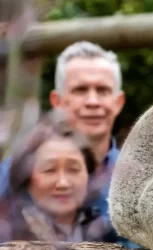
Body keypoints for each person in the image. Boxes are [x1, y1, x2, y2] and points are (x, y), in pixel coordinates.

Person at [0, 41, 134, 246]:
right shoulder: (11, 174)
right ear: (57, 101)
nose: (93, 101)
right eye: (80, 90)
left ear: (119, 102)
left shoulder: (137, 180)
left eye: (103, 90)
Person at [0, 109, 114, 242]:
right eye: (49, 170)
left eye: (73, 169)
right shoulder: (6, 233)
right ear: (27, 177)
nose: (62, 183)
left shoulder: (110, 235)